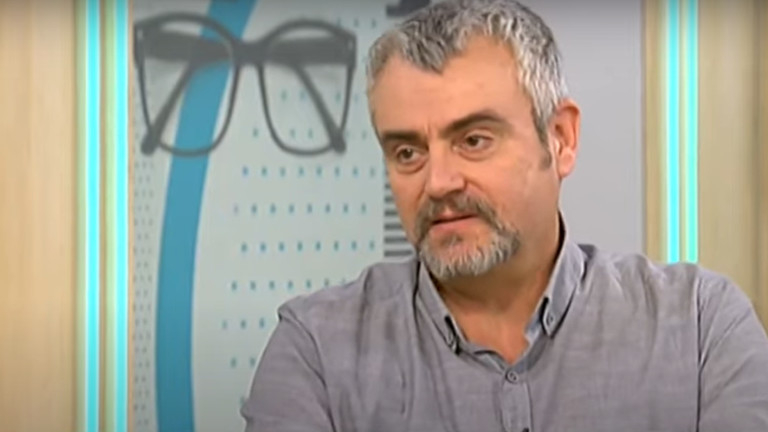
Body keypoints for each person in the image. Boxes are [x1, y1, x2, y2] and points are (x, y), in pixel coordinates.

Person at [241, 0, 768, 430]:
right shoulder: (316, 351)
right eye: (407, 152)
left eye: (473, 140)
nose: (438, 182)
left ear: (560, 138)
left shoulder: (701, 327)